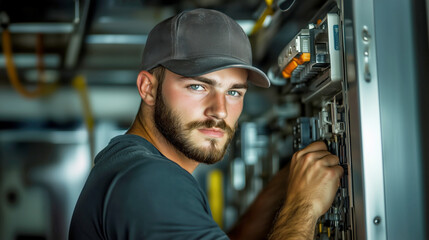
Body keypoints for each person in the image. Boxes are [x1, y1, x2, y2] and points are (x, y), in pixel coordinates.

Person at [69, 8, 343, 240]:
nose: (220, 111)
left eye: (234, 92)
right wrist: (302, 206)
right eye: (198, 86)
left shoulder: (126, 164)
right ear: (148, 88)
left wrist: (291, 182)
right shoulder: (153, 181)